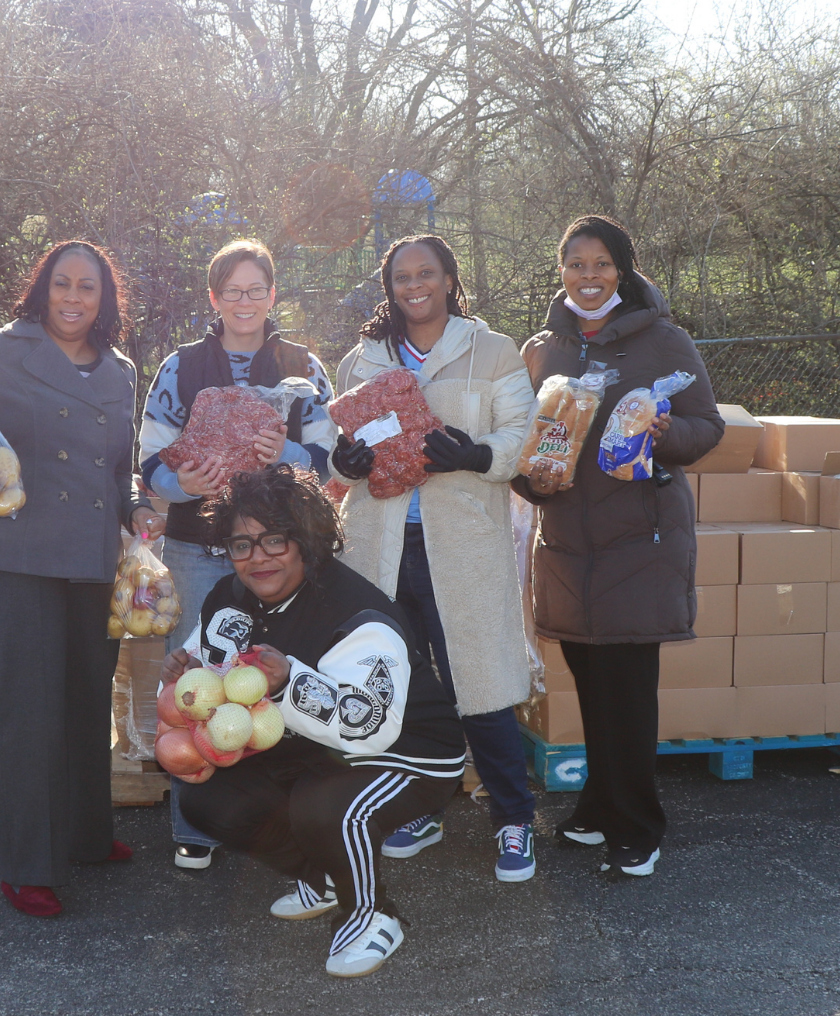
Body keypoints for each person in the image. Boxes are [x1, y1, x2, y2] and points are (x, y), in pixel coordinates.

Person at [0, 241, 160, 916]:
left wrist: (138, 505)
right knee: (32, 709)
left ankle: (88, 834)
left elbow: (119, 468)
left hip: (91, 556)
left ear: (104, 299)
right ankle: (27, 866)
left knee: (88, 699)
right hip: (18, 554)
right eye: (64, 283)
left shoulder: (120, 370)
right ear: (42, 287)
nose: (75, 298)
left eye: (89, 287)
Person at [166, 465, 465, 978]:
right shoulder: (227, 599)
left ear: (306, 541)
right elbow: (205, 679)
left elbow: (371, 725)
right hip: (313, 748)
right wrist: (186, 679)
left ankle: (373, 916)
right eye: (241, 544)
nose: (257, 557)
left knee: (325, 804)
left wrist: (287, 683)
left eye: (274, 540)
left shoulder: (357, 612)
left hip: (410, 753)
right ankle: (327, 876)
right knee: (206, 797)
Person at [513, 214, 724, 876]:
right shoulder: (543, 349)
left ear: (623, 272)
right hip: (570, 544)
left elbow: (707, 426)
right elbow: (530, 438)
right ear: (562, 272)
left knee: (628, 693)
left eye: (602, 263)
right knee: (592, 685)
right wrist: (533, 478)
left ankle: (638, 828)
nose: (589, 276)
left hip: (641, 540)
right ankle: (600, 806)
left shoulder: (663, 341)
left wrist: (662, 432)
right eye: (577, 263)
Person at [328, 234, 540, 882]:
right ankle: (424, 806)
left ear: (449, 278)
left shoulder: (493, 350)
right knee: (407, 688)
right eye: (401, 277)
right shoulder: (359, 361)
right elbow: (340, 452)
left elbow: (522, 434)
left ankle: (514, 819)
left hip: (463, 545)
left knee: (481, 684)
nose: (414, 286)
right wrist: (347, 462)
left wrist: (476, 455)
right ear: (389, 288)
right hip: (382, 547)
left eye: (426, 273)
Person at [139, 238, 334, 869]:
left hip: (283, 553)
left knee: (273, 679)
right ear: (214, 298)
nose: (244, 302)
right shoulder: (181, 367)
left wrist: (285, 454)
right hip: (198, 547)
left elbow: (330, 462)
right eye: (232, 291)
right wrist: (181, 485)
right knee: (195, 681)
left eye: (256, 290)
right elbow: (148, 464)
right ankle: (194, 824)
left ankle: (279, 824)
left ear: (273, 294)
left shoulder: (303, 364)